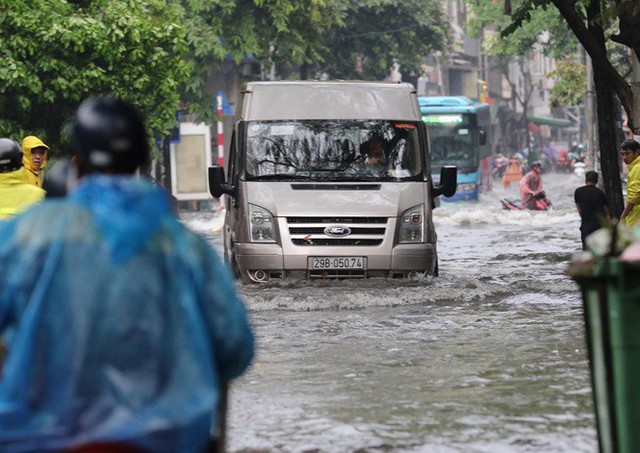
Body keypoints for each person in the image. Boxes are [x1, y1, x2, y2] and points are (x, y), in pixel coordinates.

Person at [0, 96, 254, 452]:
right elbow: (235, 348)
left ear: (77, 162)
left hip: (41, 438)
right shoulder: (186, 247)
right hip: (166, 440)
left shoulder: (25, 236)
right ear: (140, 161)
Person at [0, 138, 45, 222]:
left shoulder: (37, 175)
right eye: (33, 152)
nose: (38, 157)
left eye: (41, 153)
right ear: (23, 155)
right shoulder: (38, 195)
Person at [574, 170, 610, 250]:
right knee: (599, 251)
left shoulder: (578, 192)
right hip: (599, 228)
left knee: (586, 253)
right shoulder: (601, 193)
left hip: (586, 226)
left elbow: (579, 210)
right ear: (597, 181)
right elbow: (607, 213)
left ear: (585, 180)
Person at [620, 139, 640, 227]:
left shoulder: (637, 168)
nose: (624, 157)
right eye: (622, 154)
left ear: (636, 152)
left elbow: (634, 196)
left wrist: (623, 215)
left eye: (627, 153)